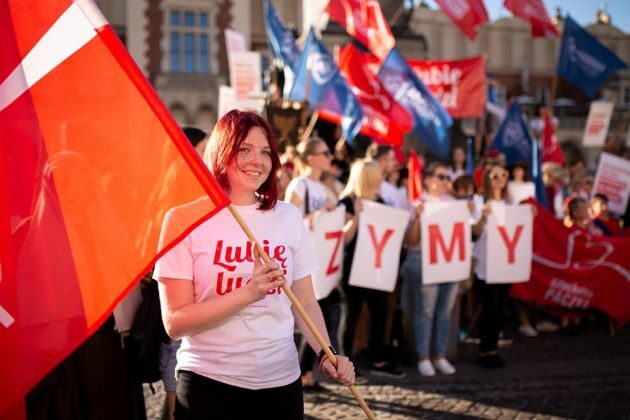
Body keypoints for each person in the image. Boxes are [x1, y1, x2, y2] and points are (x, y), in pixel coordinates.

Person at [154, 110, 354, 419]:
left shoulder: (287, 217)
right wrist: (249, 293)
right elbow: (176, 323)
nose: (257, 160)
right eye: (243, 149)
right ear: (221, 151)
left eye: (265, 152)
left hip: (281, 385)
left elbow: (305, 301)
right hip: (208, 384)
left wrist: (327, 353)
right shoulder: (182, 220)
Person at [338, 160, 406, 379]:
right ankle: (345, 363)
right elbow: (343, 239)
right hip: (353, 269)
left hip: (376, 268)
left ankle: (379, 359)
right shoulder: (347, 202)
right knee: (351, 315)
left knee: (379, 314)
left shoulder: (381, 201)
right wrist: (357, 216)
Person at [284, 137, 341, 392]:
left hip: (321, 260)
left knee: (324, 313)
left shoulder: (322, 186)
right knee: (314, 314)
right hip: (305, 262)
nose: (331, 157)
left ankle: (307, 371)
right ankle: (304, 371)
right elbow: (290, 221)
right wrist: (317, 216)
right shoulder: (300, 184)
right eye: (326, 153)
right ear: (311, 158)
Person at [402, 162, 461, 376]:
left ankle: (440, 355)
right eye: (441, 176)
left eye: (448, 177)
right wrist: (417, 217)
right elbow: (410, 240)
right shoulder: (417, 204)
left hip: (450, 262)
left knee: (445, 312)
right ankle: (424, 356)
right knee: (425, 311)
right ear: (428, 180)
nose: (446, 181)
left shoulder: (454, 203)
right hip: (423, 262)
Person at [472, 163, 516, 368]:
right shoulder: (480, 200)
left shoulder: (511, 202)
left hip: (505, 264)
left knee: (500, 309)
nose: (500, 178)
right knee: (489, 307)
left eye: (504, 174)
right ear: (488, 178)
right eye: (495, 175)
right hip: (485, 265)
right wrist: (482, 216)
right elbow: (475, 232)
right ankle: (485, 350)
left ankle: (494, 348)